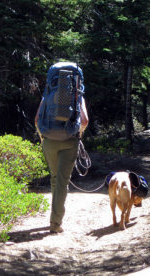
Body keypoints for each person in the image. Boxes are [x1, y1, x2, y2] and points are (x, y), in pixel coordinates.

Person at [35, 68, 89, 234]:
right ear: (77, 80)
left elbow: (37, 119)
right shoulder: (78, 96)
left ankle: (54, 215)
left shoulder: (48, 95)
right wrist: (79, 133)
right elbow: (85, 121)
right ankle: (55, 222)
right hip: (69, 142)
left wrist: (43, 138)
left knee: (55, 177)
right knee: (62, 181)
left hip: (49, 141)